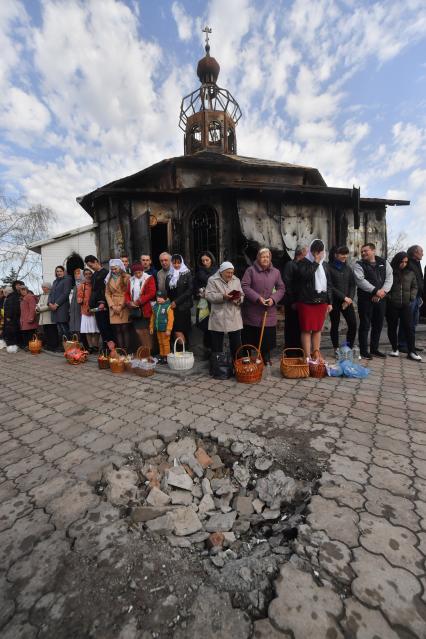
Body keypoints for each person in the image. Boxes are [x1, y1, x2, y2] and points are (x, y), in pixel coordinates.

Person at [241, 247, 285, 365]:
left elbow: (281, 288)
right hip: (252, 310)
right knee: (249, 337)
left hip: (268, 310)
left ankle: (265, 358)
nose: (265, 259)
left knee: (267, 337)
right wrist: (257, 298)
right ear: (258, 258)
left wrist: (273, 299)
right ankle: (247, 358)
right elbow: (244, 286)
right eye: (263, 256)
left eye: (267, 257)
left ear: (270, 258)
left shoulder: (276, 272)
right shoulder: (250, 271)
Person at [293, 239, 332, 359]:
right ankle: (307, 355)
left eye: (319, 252)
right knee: (306, 329)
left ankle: (316, 352)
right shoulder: (303, 262)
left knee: (317, 329)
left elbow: (329, 284)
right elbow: (304, 277)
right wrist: (315, 262)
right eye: (315, 252)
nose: (317, 254)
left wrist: (329, 302)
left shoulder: (325, 265)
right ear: (311, 251)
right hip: (306, 301)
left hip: (321, 302)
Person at [353, 243, 393, 359]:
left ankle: (374, 349)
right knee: (365, 325)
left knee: (378, 324)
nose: (363, 253)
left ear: (373, 251)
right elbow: (360, 281)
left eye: (366, 251)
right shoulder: (359, 264)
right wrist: (375, 291)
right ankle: (364, 351)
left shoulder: (384, 263)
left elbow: (389, 278)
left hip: (381, 299)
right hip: (365, 300)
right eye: (362, 251)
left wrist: (382, 292)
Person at [205, 261, 244, 361]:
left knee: (236, 343)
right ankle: (217, 366)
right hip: (218, 315)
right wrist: (223, 297)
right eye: (228, 272)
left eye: (232, 272)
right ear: (221, 271)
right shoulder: (212, 280)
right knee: (217, 344)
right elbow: (208, 295)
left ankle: (237, 364)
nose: (230, 275)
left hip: (233, 314)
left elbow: (242, 294)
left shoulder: (236, 280)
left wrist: (239, 299)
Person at [386, 252, 421, 361]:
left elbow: (415, 286)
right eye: (402, 261)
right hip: (392, 305)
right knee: (392, 327)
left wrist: (412, 297)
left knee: (409, 328)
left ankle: (411, 352)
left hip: (406, 305)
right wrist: (390, 297)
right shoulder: (390, 272)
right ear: (397, 261)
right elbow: (385, 285)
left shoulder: (410, 272)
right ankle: (395, 349)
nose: (404, 264)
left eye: (406, 262)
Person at [328, 246, 357, 350]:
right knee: (335, 325)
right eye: (342, 254)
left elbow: (352, 285)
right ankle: (336, 348)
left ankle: (348, 348)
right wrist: (344, 297)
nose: (345, 256)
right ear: (336, 255)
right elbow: (330, 286)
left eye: (346, 253)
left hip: (347, 302)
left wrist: (349, 299)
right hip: (334, 301)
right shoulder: (329, 268)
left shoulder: (348, 268)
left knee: (353, 324)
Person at [85, 255, 115, 351]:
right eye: (89, 266)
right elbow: (93, 290)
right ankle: (105, 345)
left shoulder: (106, 273)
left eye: (91, 265)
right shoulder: (94, 275)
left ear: (96, 261)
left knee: (106, 325)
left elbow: (105, 289)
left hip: (103, 304)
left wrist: (102, 302)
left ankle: (110, 347)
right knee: (100, 326)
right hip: (95, 304)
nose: (91, 267)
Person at [398, 245, 424, 353]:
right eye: (421, 251)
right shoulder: (408, 263)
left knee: (413, 322)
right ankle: (402, 344)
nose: (423, 253)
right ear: (415, 253)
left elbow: (419, 281)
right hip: (409, 297)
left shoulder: (417, 264)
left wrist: (420, 296)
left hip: (417, 297)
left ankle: (410, 344)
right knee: (406, 321)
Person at [282, 245, 307, 353]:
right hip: (292, 302)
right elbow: (287, 284)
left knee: (300, 327)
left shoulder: (304, 265)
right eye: (307, 252)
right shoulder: (290, 265)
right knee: (291, 327)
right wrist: (293, 301)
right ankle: (290, 351)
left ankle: (299, 349)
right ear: (301, 253)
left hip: (301, 302)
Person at [125, 262, 156, 349]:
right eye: (136, 273)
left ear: (142, 271)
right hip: (135, 311)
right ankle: (144, 349)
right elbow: (127, 293)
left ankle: (149, 350)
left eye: (139, 272)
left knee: (146, 331)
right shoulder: (131, 280)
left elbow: (152, 293)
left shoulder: (149, 278)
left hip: (146, 309)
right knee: (139, 331)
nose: (138, 275)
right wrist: (129, 302)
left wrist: (138, 302)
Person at [193, 251, 218, 351]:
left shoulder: (217, 271)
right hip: (203, 302)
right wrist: (199, 291)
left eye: (207, 260)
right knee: (205, 325)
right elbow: (195, 286)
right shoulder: (199, 272)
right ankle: (207, 349)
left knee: (215, 326)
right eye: (203, 261)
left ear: (211, 260)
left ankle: (215, 350)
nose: (205, 262)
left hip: (215, 302)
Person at [166, 254, 193, 346]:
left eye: (178, 263)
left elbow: (189, 291)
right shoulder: (169, 275)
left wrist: (176, 302)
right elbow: (168, 291)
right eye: (174, 263)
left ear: (182, 263)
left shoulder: (187, 273)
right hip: (173, 307)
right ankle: (182, 352)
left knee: (179, 330)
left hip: (183, 307)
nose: (176, 265)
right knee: (175, 329)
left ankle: (183, 353)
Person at [105, 259, 131, 351]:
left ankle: (127, 350)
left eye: (115, 269)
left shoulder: (126, 277)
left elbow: (127, 292)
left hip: (123, 303)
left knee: (124, 328)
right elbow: (107, 293)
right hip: (113, 304)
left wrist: (121, 306)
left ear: (120, 267)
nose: (113, 271)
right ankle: (120, 350)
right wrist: (111, 305)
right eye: (112, 269)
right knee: (117, 329)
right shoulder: (109, 278)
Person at [77, 268, 100, 352]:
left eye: (89, 273)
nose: (88, 275)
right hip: (85, 310)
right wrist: (79, 299)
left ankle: (96, 346)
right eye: (86, 274)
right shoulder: (81, 286)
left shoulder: (95, 284)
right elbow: (79, 296)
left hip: (95, 309)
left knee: (96, 330)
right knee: (87, 330)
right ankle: (90, 346)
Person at [48, 266, 73, 342]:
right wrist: (49, 303)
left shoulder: (67, 280)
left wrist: (56, 304)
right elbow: (51, 294)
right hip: (54, 308)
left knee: (64, 327)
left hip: (62, 307)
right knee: (59, 328)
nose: (58, 273)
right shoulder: (55, 282)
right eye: (57, 271)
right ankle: (63, 345)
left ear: (64, 271)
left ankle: (69, 345)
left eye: (60, 271)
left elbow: (65, 293)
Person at [149, 290, 174, 363]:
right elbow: (152, 318)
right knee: (160, 342)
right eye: (157, 297)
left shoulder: (168, 307)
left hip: (165, 329)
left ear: (165, 298)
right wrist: (151, 327)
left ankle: (166, 357)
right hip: (158, 328)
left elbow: (171, 319)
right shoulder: (155, 306)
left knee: (165, 343)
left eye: (161, 297)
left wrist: (169, 329)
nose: (158, 299)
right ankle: (162, 355)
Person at [36, 282, 58, 351]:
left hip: (49, 316)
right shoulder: (42, 295)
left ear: (48, 288)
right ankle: (49, 345)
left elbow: (50, 305)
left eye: (44, 287)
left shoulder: (52, 294)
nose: (43, 288)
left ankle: (53, 346)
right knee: (46, 332)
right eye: (42, 287)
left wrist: (40, 309)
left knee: (52, 332)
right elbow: (39, 304)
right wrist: (37, 308)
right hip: (43, 317)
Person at [3, 282, 22, 348]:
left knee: (11, 331)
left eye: (5, 292)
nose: (4, 293)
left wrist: (8, 316)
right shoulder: (12, 296)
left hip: (12, 318)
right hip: (14, 317)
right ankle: (13, 344)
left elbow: (11, 307)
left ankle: (12, 345)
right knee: (13, 330)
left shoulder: (11, 297)